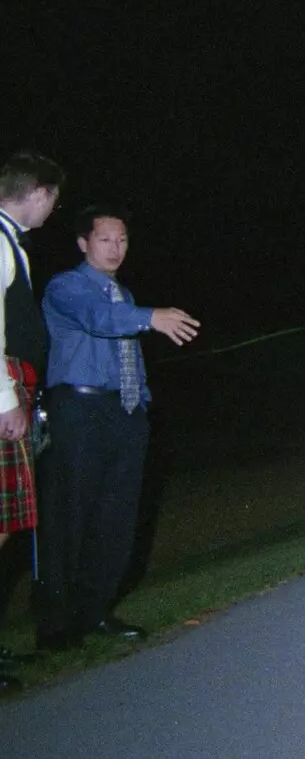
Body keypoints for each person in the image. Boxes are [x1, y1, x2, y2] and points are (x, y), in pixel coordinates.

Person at [36, 205, 200, 650]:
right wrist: (151, 317)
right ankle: (56, 627)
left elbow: (127, 353)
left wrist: (140, 405)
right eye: (106, 239)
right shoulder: (67, 287)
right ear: (84, 243)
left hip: (123, 414)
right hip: (80, 411)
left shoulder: (121, 294)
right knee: (71, 516)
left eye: (122, 239)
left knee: (116, 520)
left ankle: (95, 611)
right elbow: (98, 321)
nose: (115, 248)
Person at [0, 151, 62, 686]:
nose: (52, 210)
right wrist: (7, 400)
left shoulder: (8, 241)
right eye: (53, 199)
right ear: (39, 191)